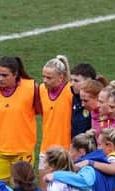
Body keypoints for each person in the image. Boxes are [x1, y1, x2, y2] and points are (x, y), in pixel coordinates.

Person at [0, 56, 40, 182]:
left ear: (15, 74)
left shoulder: (31, 88)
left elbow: (40, 110)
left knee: (23, 190)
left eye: (5, 75)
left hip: (23, 150)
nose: (0, 79)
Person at [38, 55, 73, 183]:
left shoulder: (70, 91)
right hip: (45, 149)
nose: (45, 80)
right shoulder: (41, 89)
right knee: (44, 190)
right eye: (43, 76)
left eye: (49, 78)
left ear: (61, 78)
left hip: (65, 151)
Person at [70, 63, 97, 137]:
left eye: (76, 81)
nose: (72, 84)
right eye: (71, 80)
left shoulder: (98, 101)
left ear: (89, 81)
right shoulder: (74, 97)